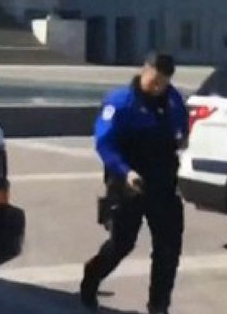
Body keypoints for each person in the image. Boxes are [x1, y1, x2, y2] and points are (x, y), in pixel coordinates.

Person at [81, 52, 188, 314]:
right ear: (144, 70)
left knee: (168, 247)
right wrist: (125, 171)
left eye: (164, 82)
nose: (158, 87)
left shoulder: (173, 99)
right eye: (154, 80)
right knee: (122, 243)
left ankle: (159, 305)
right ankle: (92, 277)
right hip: (129, 182)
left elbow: (182, 127)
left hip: (163, 182)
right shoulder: (120, 102)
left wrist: (182, 138)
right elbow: (104, 143)